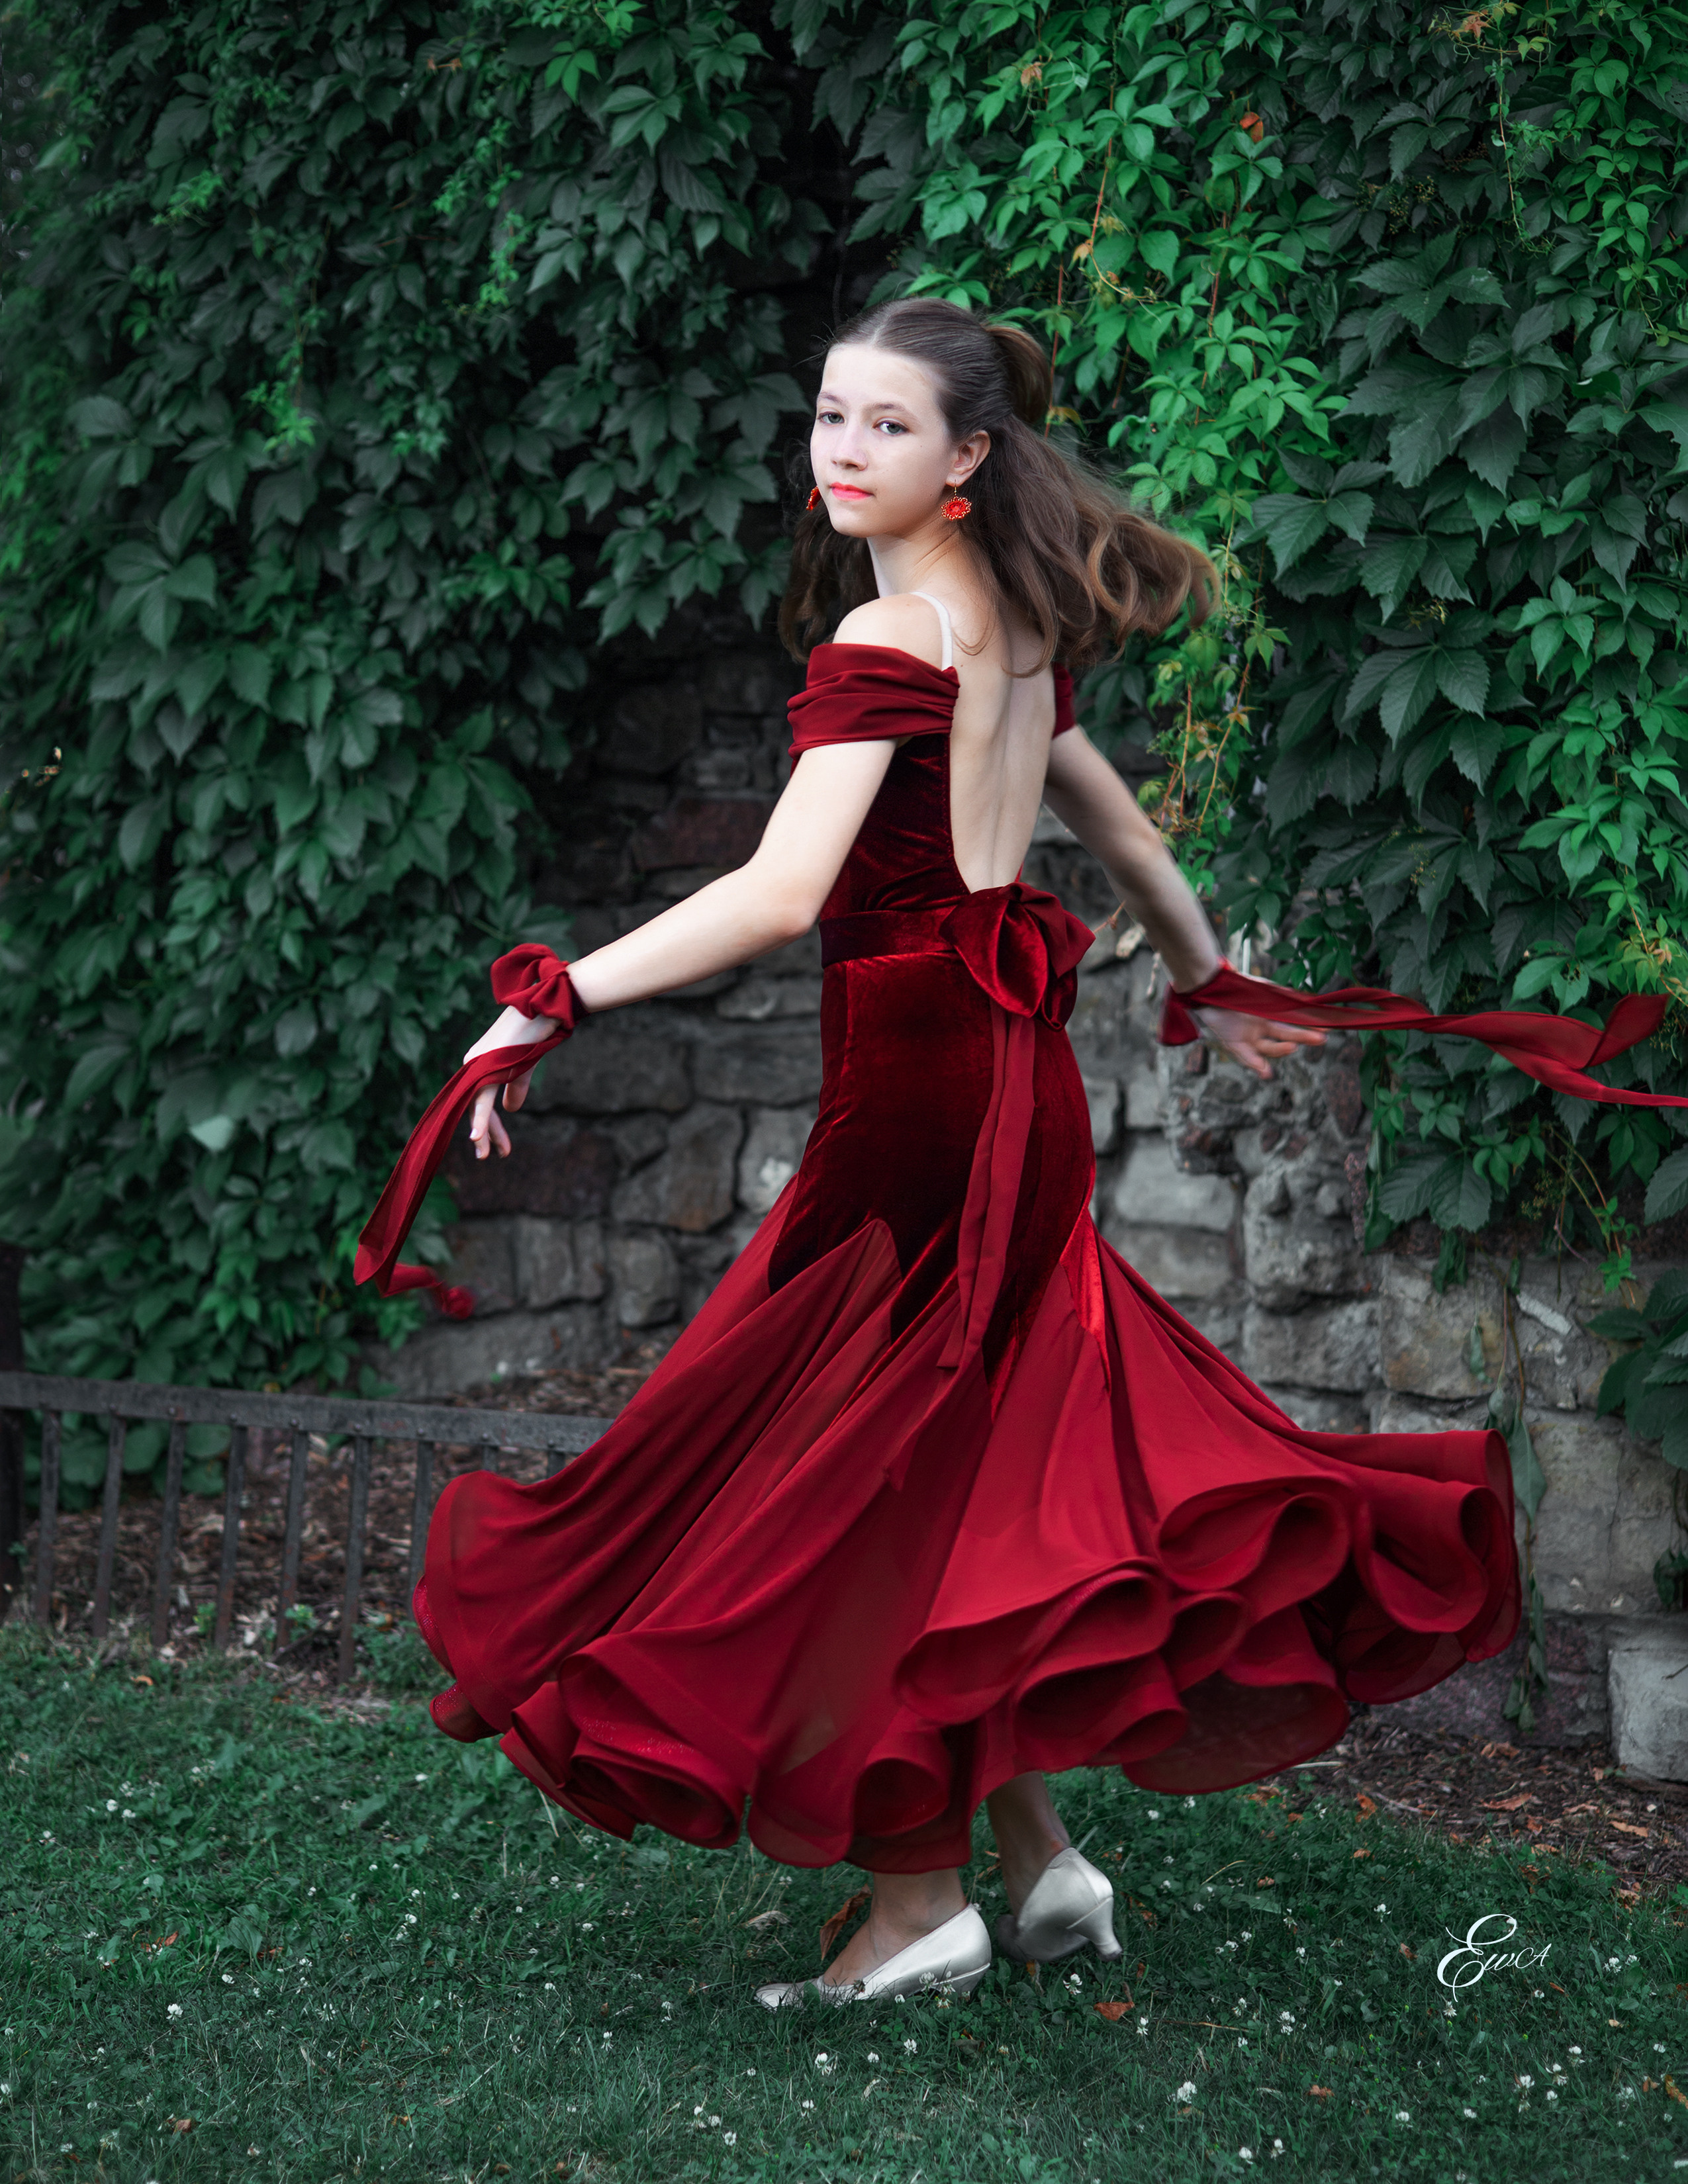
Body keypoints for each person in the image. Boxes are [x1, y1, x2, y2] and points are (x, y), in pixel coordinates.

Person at [390, 299, 1522, 2008]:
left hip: (924, 1095)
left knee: (854, 1480)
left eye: (887, 426)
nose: (841, 450)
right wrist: (1209, 981)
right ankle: (1035, 1860)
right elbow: (1127, 831)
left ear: (970, 456)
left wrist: (551, 998)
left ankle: (916, 1902)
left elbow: (782, 890)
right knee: (959, 1467)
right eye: (829, 415)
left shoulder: (899, 633)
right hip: (1017, 1082)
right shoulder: (1004, 625)